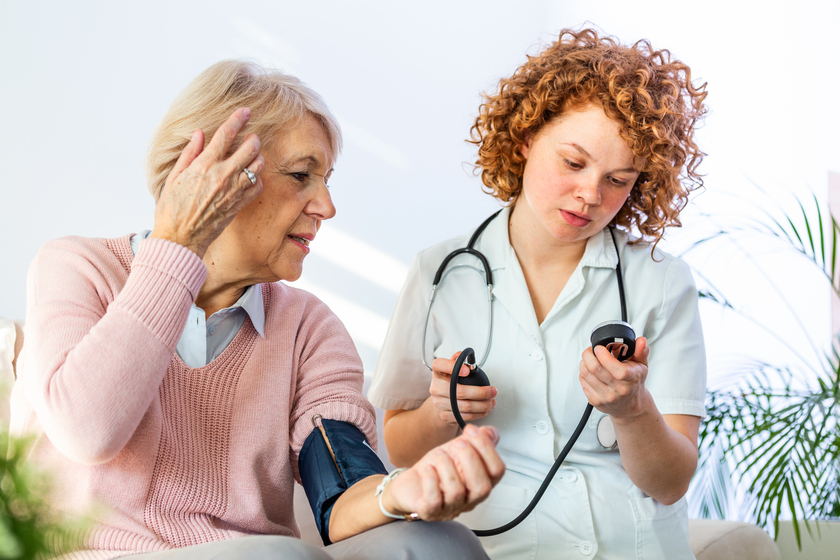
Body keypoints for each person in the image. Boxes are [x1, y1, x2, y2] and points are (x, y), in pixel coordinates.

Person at [9, 60, 504, 560]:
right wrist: (179, 243)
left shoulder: (308, 327)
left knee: (439, 541)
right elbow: (88, 431)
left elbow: (338, 487)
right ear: (209, 170)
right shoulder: (78, 267)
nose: (327, 206)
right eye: (300, 175)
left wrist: (399, 492)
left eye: (327, 179)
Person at [368, 28, 708, 560]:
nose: (591, 195)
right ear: (526, 136)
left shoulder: (662, 281)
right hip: (490, 549)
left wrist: (632, 409)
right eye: (573, 163)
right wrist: (443, 413)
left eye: (618, 179)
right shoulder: (440, 272)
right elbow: (395, 449)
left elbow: (670, 483)